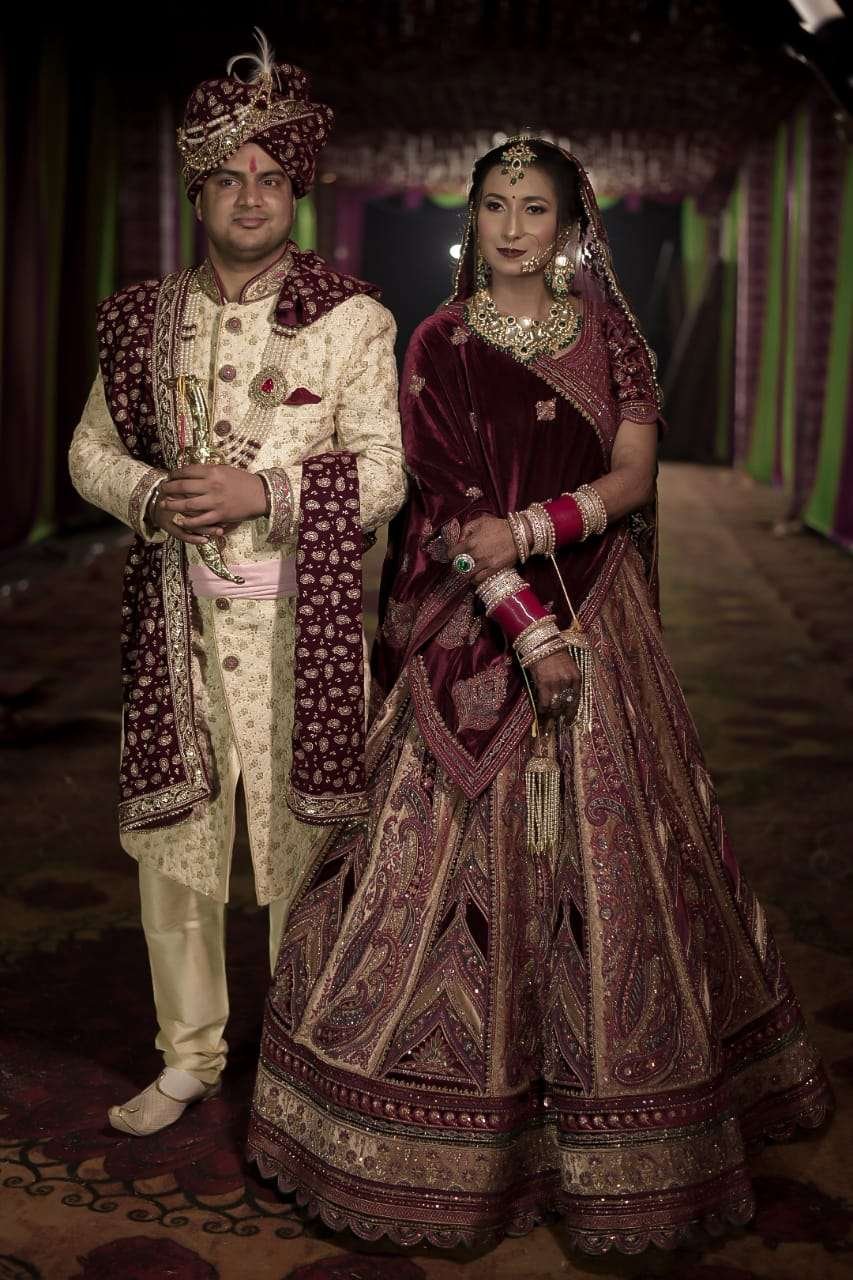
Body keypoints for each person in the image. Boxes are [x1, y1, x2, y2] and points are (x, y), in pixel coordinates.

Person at [247, 137, 833, 1252]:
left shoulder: (612, 336)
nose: (513, 228)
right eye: (496, 206)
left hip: (599, 602)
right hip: (475, 621)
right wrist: (524, 624)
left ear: (570, 228)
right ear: (473, 217)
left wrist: (531, 530)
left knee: (624, 850)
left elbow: (633, 476)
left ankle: (621, 1124)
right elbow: (444, 505)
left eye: (534, 209)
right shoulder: (440, 343)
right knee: (435, 859)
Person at [67, 33, 405, 1137]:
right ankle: (189, 1055)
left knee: (307, 845)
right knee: (177, 848)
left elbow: (386, 474)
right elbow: (88, 452)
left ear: (295, 190)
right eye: (227, 178)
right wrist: (150, 495)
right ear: (198, 193)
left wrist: (262, 491)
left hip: (300, 626)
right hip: (175, 623)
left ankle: (308, 1061)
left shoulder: (353, 317)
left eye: (269, 176)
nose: (250, 196)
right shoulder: (138, 320)